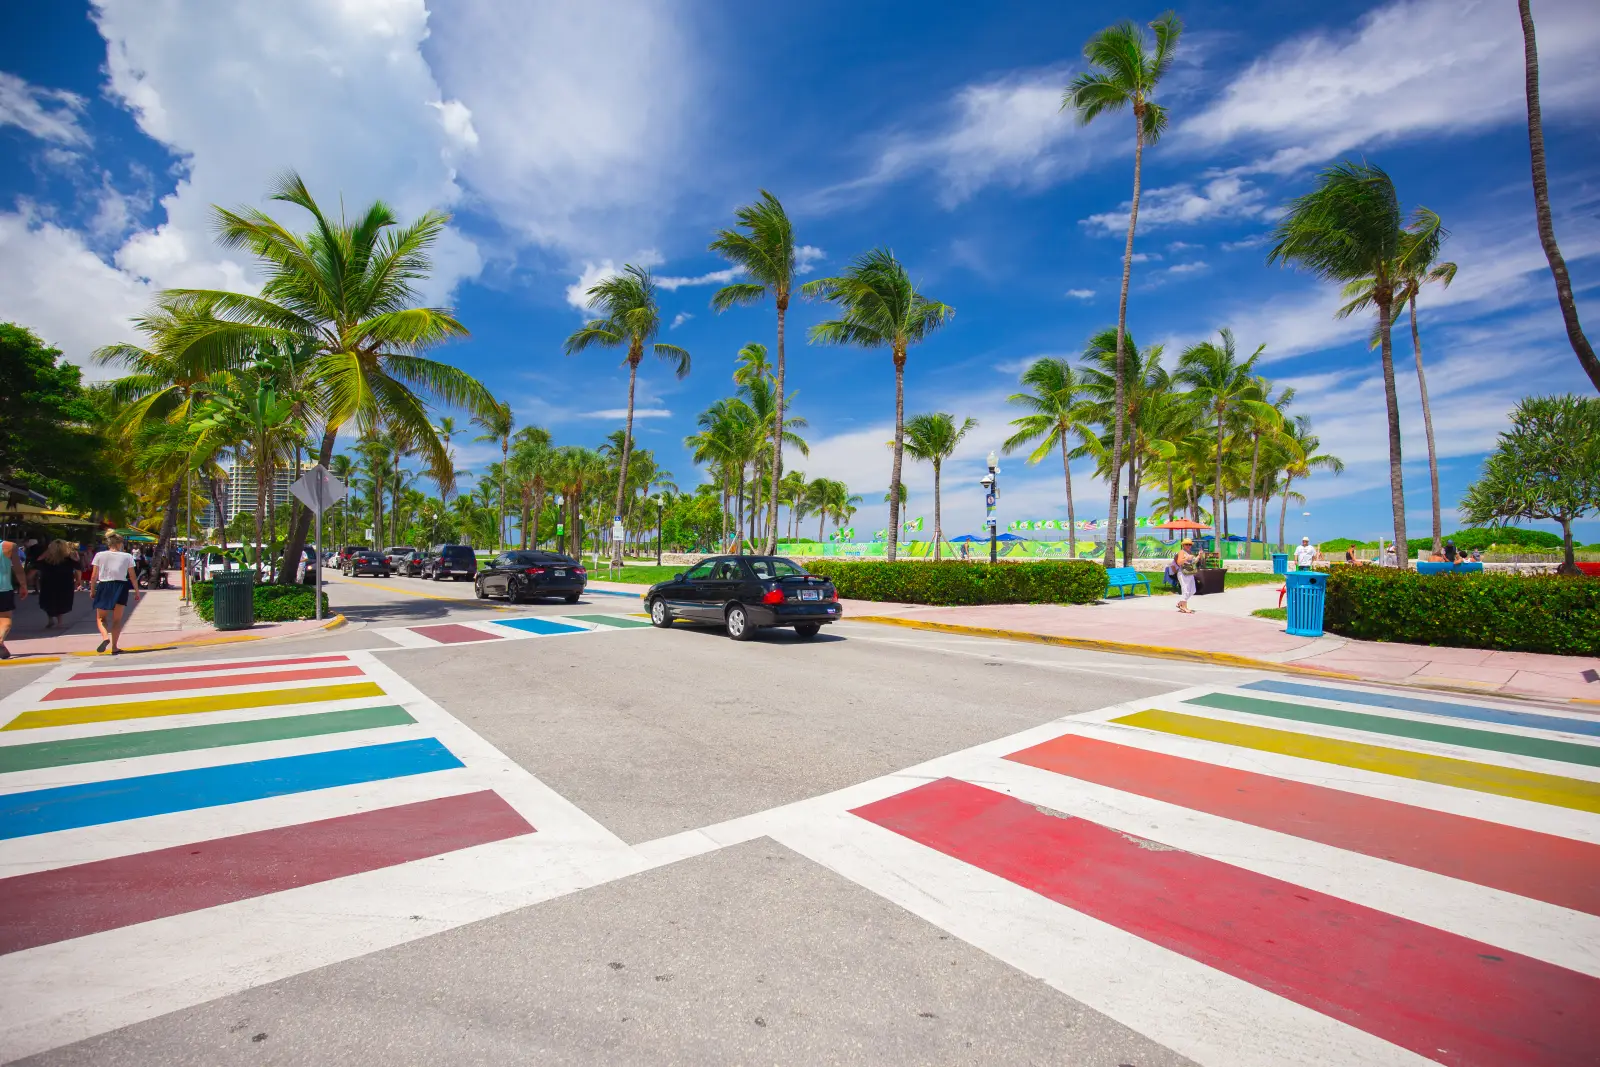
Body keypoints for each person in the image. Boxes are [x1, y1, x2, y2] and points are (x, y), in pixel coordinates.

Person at [90, 533, 138, 655]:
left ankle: (105, 637)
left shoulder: (99, 555)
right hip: (121, 586)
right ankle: (114, 647)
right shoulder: (127, 556)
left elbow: (94, 576)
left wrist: (92, 590)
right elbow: (132, 576)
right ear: (120, 543)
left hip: (104, 585)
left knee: (101, 618)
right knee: (117, 620)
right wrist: (137, 592)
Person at [34, 539, 78, 629]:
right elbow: (78, 565)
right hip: (65, 582)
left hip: (48, 582)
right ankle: (60, 622)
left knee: (48, 600)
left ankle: (50, 619)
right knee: (61, 601)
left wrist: (47, 552)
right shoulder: (68, 558)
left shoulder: (47, 559)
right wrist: (78, 580)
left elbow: (37, 562)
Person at [0, 536, 30, 660]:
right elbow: (18, 568)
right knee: (5, 618)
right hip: (3, 588)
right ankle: (0, 640)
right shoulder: (8, 546)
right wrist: (23, 585)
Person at [1175, 538, 1198, 614]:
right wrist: (1187, 558)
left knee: (1192, 590)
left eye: (1189, 544)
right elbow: (1179, 562)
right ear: (1183, 545)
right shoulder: (1182, 552)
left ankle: (1180, 603)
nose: (1188, 546)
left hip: (1190, 573)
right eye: (1186, 544)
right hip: (1183, 573)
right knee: (1186, 590)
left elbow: (1194, 561)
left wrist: (1199, 556)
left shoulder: (1189, 552)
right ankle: (1184, 607)